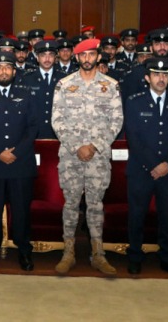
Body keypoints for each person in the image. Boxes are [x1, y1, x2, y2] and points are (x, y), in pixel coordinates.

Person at [50, 38, 123, 275]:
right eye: (83, 55)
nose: (87, 59)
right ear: (77, 58)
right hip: (71, 157)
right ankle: (68, 252)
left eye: (91, 54)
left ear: (98, 57)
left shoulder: (111, 85)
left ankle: (98, 254)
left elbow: (116, 121)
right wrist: (76, 146)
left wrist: (94, 146)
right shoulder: (64, 84)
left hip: (98, 158)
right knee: (70, 204)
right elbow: (57, 120)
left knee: (95, 205)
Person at [121, 58, 168, 276]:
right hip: (141, 170)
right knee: (137, 215)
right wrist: (154, 165)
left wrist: (167, 164)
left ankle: (167, 258)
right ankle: (135, 256)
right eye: (157, 75)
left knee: (167, 217)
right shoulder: (134, 102)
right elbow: (133, 138)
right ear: (147, 78)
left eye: (165, 75)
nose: (161, 79)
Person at [0, 51, 40, 271]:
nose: (3, 71)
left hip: (20, 163)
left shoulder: (26, 94)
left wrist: (17, 152)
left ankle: (24, 251)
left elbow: (33, 127)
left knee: (21, 212)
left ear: (14, 71)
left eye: (7, 67)